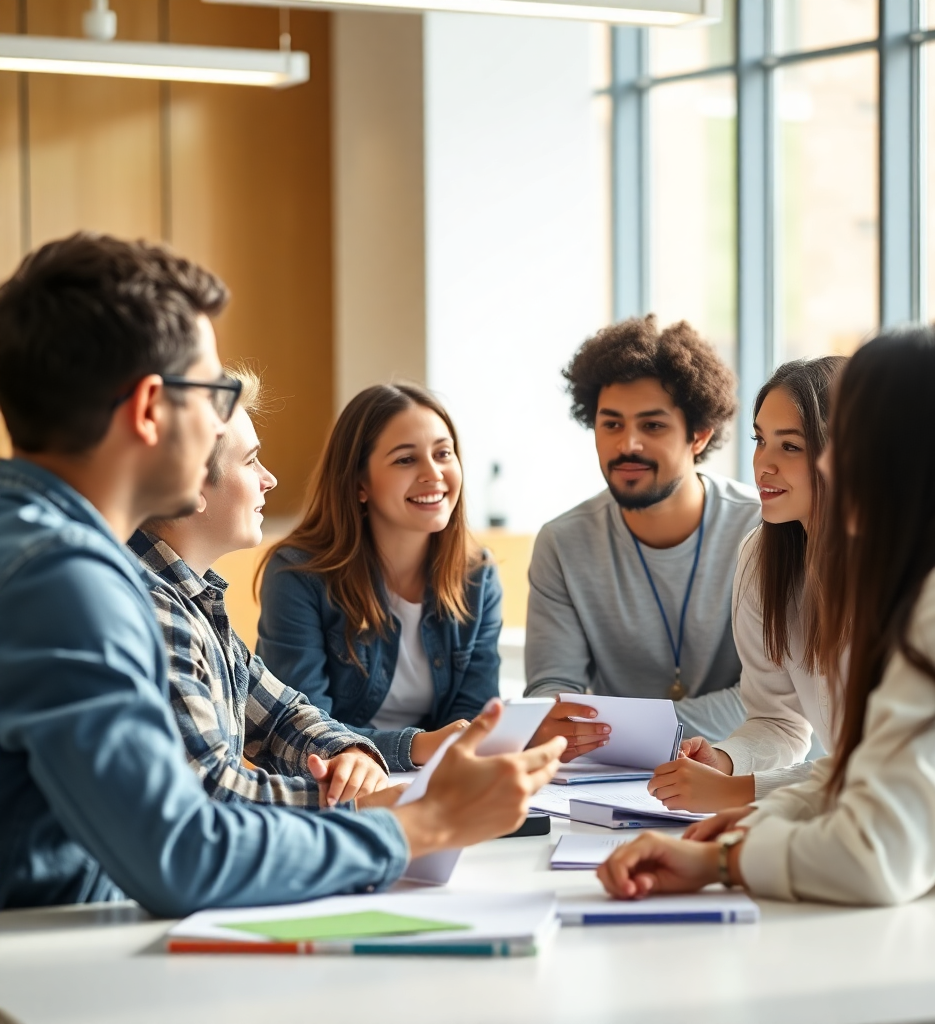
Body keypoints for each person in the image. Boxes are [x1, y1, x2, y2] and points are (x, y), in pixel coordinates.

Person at [0, 232, 564, 915]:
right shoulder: (61, 581)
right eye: (213, 394)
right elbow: (183, 852)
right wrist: (422, 824)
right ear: (151, 408)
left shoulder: (53, 552)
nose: (222, 426)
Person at [598, 320, 935, 906]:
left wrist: (730, 855)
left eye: (845, 443)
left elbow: (874, 854)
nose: (825, 467)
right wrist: (755, 811)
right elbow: (868, 768)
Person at [129, 366, 468, 812]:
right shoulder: (153, 608)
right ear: (191, 486)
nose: (268, 478)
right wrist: (360, 804)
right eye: (251, 461)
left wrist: (351, 754)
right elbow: (209, 795)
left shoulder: (195, 599)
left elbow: (282, 716)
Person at [525, 315, 762, 759]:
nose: (627, 444)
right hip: (616, 780)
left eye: (652, 426)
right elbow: (549, 697)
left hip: (745, 773)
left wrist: (611, 725)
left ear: (698, 435)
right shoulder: (562, 543)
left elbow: (770, 703)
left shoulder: (762, 530)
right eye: (611, 424)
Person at [256, 384, 501, 754]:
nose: (433, 474)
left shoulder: (477, 577)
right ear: (359, 483)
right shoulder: (298, 575)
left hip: (437, 783)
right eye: (406, 459)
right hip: (338, 787)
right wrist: (417, 746)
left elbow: (474, 720)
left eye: (443, 453)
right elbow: (302, 730)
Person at [648, 357, 845, 812]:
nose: (764, 464)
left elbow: (884, 763)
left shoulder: (905, 574)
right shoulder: (762, 557)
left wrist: (738, 793)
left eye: (791, 446)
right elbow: (778, 721)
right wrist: (725, 761)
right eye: (760, 440)